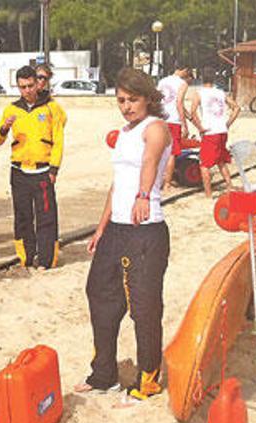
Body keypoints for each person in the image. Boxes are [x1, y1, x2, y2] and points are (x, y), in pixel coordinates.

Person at [77, 68, 172, 402]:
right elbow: (117, 184)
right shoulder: (124, 132)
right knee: (100, 294)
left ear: (147, 97)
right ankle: (103, 374)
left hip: (145, 229)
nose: (127, 106)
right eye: (121, 100)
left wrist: (143, 196)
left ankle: (147, 379)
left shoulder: (156, 128)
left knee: (143, 306)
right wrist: (100, 229)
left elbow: (150, 161)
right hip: (116, 229)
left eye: (133, 99)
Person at [0, 65, 67, 269]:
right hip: (19, 171)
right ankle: (26, 257)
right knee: (23, 215)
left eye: (31, 85)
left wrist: (54, 169)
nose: (27, 90)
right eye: (23, 87)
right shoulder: (12, 109)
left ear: (38, 84)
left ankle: (46, 259)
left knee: (46, 216)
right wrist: (4, 128)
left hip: (43, 171)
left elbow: (59, 139)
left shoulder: (51, 107)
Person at [189, 67, 239, 198]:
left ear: (201, 78)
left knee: (204, 164)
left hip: (210, 132)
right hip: (222, 131)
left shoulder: (199, 93)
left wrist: (199, 127)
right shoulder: (220, 92)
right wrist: (227, 123)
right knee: (221, 160)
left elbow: (193, 112)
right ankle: (229, 185)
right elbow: (237, 108)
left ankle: (208, 194)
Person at [157, 65, 191, 192]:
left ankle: (158, 180)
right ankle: (167, 183)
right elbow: (179, 104)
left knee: (159, 152)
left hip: (160, 119)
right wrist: (185, 125)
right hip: (173, 121)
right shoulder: (182, 83)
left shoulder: (162, 81)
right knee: (172, 153)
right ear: (184, 70)